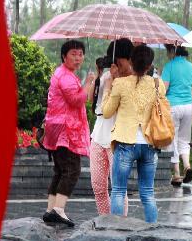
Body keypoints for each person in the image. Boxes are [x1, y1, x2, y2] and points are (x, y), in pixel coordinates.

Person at [102, 44, 165, 224]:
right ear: (149, 65)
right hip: (149, 144)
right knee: (147, 192)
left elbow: (106, 112)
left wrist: (107, 88)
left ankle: (116, 231)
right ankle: (152, 231)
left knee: (119, 191)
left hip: (125, 143)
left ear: (130, 61)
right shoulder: (157, 84)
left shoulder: (120, 83)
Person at [42, 40, 95, 226]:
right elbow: (75, 100)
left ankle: (50, 210)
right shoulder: (65, 75)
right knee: (72, 169)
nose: (78, 57)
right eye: (74, 53)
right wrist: (88, 83)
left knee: (60, 169)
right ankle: (58, 210)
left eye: (80, 54)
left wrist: (87, 85)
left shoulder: (65, 73)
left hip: (57, 127)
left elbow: (81, 98)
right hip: (66, 129)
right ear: (64, 56)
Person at [87, 39, 134, 215]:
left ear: (129, 59)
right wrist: (99, 76)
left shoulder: (134, 81)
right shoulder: (107, 76)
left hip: (119, 140)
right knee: (98, 187)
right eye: (114, 61)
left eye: (119, 61)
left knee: (119, 188)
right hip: (99, 136)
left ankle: (119, 226)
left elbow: (114, 109)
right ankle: (104, 222)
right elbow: (92, 101)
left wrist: (112, 85)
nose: (116, 65)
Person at [162, 44, 192, 187]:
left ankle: (176, 174)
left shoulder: (169, 66)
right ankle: (187, 165)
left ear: (172, 52)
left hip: (173, 106)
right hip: (189, 106)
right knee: (184, 139)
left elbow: (164, 89)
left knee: (173, 139)